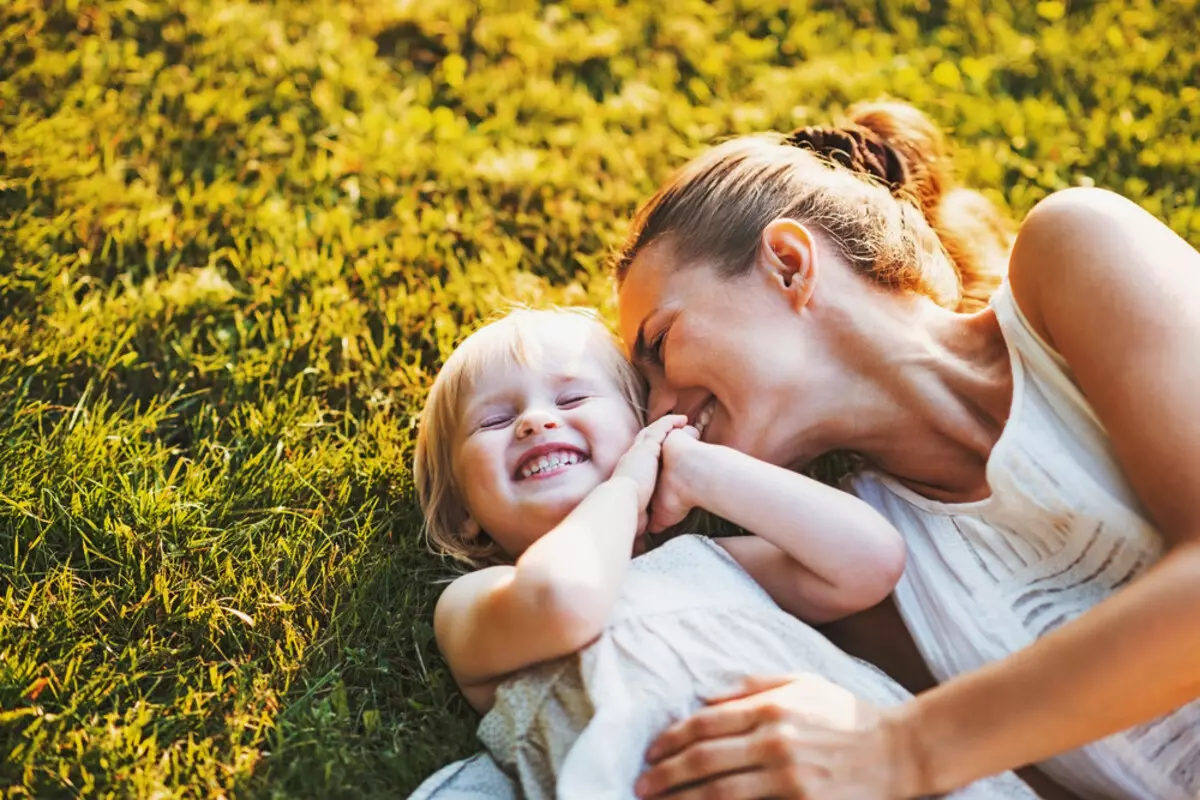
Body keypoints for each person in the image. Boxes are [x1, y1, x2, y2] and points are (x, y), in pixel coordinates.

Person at [614, 99, 1200, 800]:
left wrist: (906, 747)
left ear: (789, 264)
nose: (658, 410)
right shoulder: (864, 583)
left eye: (660, 344)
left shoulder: (1077, 251)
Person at [405, 307, 1035, 799]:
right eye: (494, 422)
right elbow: (567, 600)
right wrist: (626, 487)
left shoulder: (709, 561)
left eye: (571, 400)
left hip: (849, 767)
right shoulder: (479, 601)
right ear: (467, 518)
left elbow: (870, 560)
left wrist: (700, 470)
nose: (536, 423)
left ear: (638, 429)